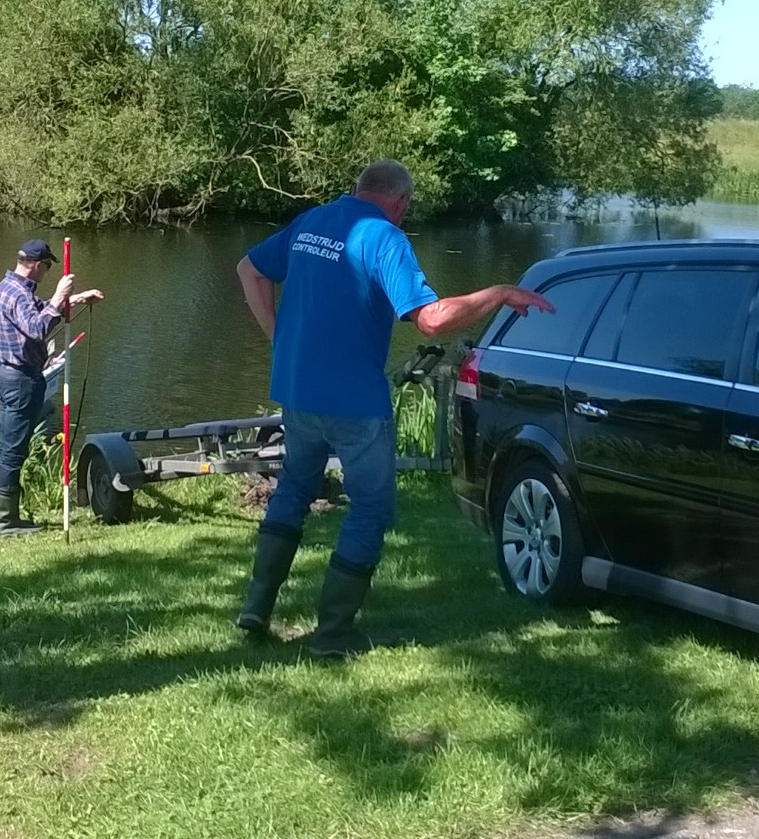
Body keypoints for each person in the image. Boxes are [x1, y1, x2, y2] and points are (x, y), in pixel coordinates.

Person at [234, 159, 554, 658]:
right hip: (354, 404)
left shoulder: (313, 221)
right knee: (371, 508)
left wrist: (280, 339)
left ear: (359, 188)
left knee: (293, 489)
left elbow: (249, 270)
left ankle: (256, 609)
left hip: (297, 392)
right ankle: (333, 633)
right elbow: (431, 320)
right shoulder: (384, 238)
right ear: (400, 201)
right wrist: (497, 293)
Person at [0, 238, 101, 534]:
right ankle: (6, 522)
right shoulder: (18, 294)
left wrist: (77, 299)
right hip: (20, 379)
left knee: (9, 447)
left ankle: (5, 516)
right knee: (13, 450)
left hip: (9, 375)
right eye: (48, 267)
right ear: (37, 265)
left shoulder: (9, 287)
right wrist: (59, 295)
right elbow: (38, 328)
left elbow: (40, 311)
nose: (48, 272)